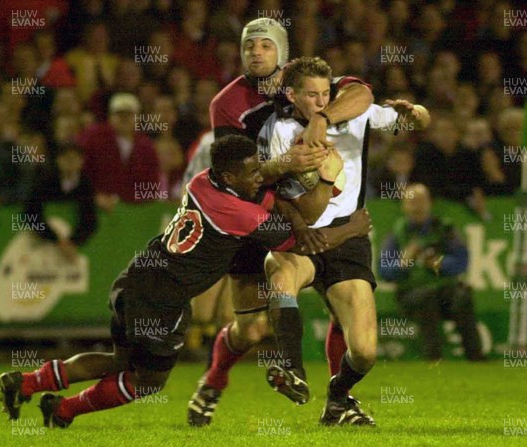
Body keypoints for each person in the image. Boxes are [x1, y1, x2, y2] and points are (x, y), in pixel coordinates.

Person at [0, 134, 371, 428]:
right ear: (229, 177)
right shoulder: (237, 213)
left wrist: (283, 176)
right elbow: (303, 243)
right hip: (163, 298)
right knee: (149, 381)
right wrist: (348, 225)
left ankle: (30, 384)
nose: (259, 175)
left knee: (120, 360)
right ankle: (63, 410)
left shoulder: (202, 182)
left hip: (135, 278)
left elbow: (264, 194)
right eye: (252, 172)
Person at [187, 17, 376, 426]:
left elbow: (361, 93)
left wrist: (321, 119)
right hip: (256, 218)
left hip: (311, 213)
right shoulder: (226, 103)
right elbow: (233, 177)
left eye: (266, 45)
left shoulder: (310, 84)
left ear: (282, 53)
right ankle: (213, 380)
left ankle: (338, 400)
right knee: (250, 329)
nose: (256, 51)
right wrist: (285, 164)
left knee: (342, 306)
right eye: (249, 45)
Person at [259, 57, 430, 426]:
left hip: (347, 243)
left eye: (326, 94)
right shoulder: (281, 129)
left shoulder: (353, 115)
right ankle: (292, 369)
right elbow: (288, 200)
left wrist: (415, 112)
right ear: (292, 95)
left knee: (366, 352)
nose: (320, 102)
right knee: (279, 275)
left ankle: (338, 399)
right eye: (311, 95)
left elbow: (407, 117)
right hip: (302, 235)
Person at [379, 183, 484, 361]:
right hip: (411, 293)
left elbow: (461, 261)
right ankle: (433, 358)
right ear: (404, 206)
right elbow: (384, 271)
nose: (417, 207)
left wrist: (438, 263)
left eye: (421, 201)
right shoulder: (397, 234)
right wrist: (403, 263)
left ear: (429, 204)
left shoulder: (444, 229)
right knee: (425, 297)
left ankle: (476, 357)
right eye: (412, 202)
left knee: (463, 297)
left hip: (444, 290)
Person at [23, 143, 97, 263]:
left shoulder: (85, 185)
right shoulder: (45, 181)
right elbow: (30, 213)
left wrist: (73, 242)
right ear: (59, 160)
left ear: (81, 161)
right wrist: (56, 239)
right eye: (66, 159)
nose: (70, 163)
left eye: (74, 159)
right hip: (42, 248)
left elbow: (90, 219)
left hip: (72, 248)